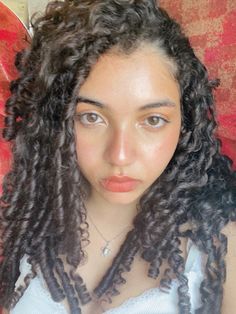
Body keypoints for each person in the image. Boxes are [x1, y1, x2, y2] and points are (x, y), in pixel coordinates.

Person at [0, 1, 235, 313]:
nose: (120, 155)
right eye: (91, 118)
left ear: (186, 124)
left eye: (153, 120)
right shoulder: (29, 219)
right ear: (57, 119)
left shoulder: (220, 244)